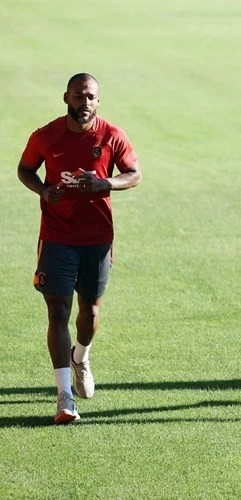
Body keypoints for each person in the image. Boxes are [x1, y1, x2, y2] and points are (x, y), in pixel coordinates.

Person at [17, 73, 141, 424]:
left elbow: (134, 173)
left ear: (98, 101)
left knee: (90, 313)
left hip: (97, 239)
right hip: (56, 236)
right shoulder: (45, 136)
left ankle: (81, 356)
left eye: (90, 97)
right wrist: (44, 190)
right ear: (66, 98)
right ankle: (64, 397)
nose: (84, 102)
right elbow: (25, 169)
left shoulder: (111, 135)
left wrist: (105, 183)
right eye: (78, 96)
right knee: (57, 312)